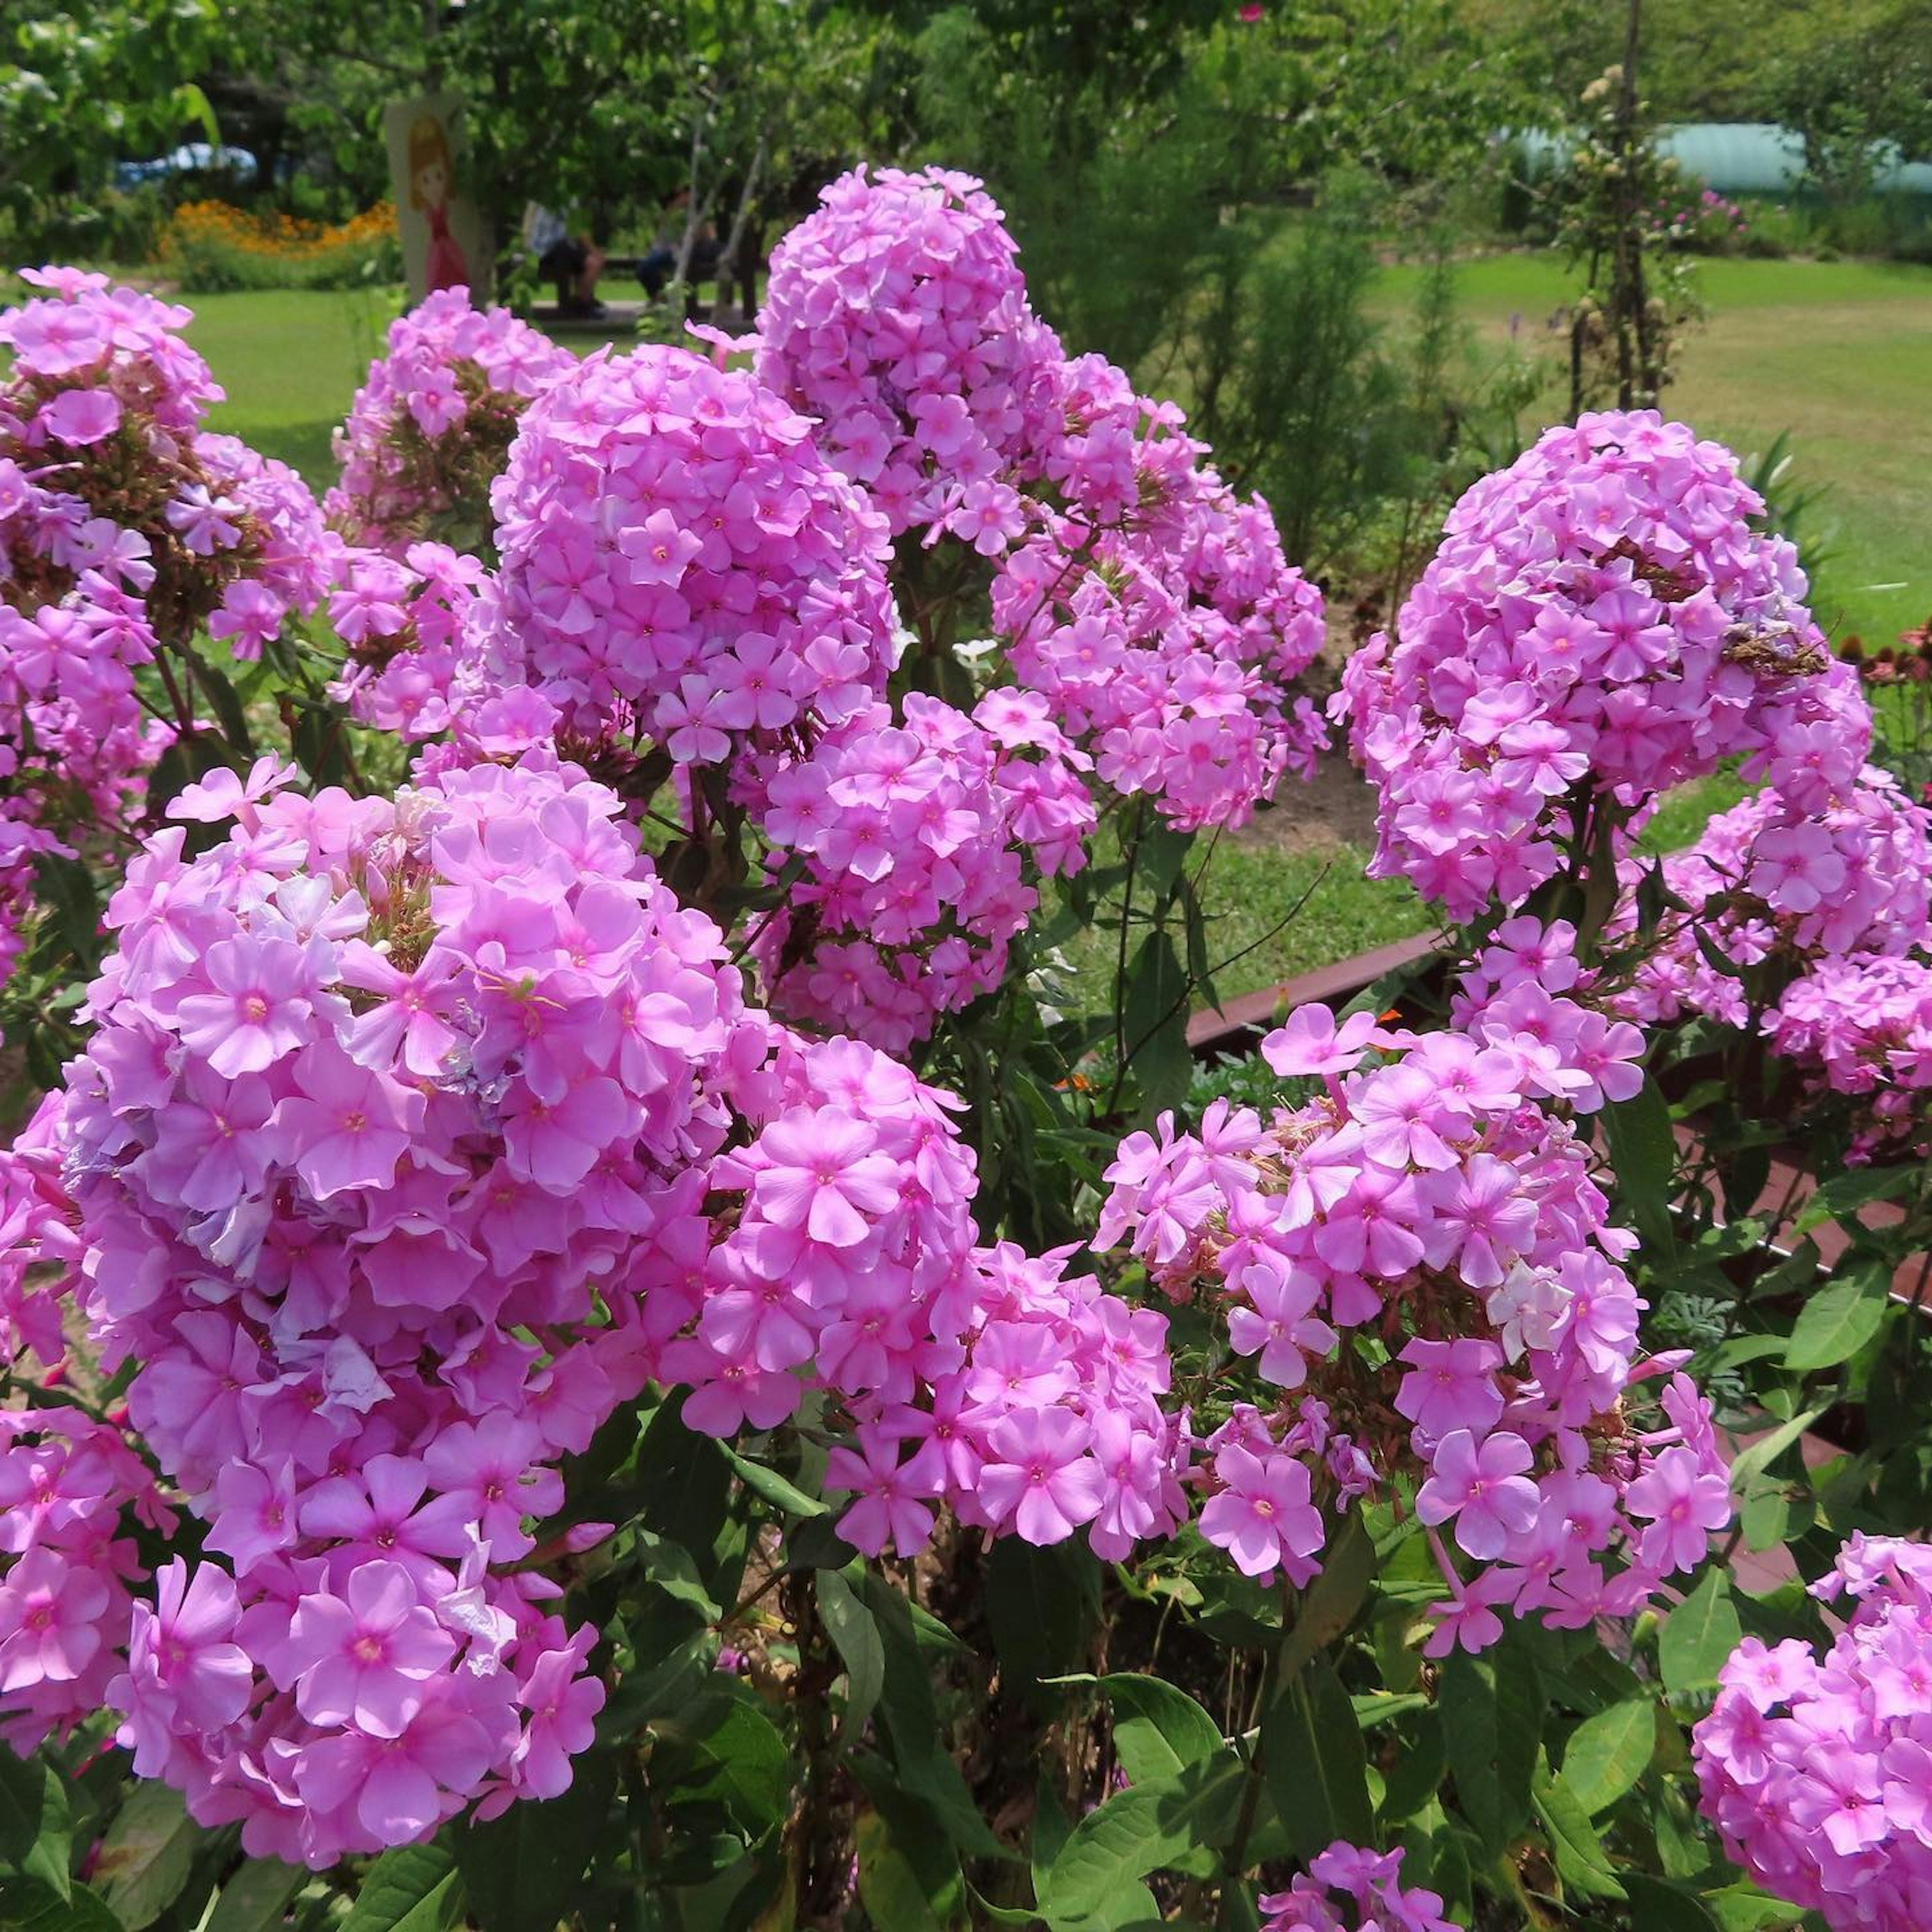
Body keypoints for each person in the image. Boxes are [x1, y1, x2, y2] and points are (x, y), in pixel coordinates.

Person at [409, 115, 471, 294]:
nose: (435, 186)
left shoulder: (443, 207)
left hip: (448, 249)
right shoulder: (430, 212)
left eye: (439, 176)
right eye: (425, 180)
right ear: (417, 184)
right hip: (438, 252)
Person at [522, 202, 607, 318]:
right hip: (552, 251)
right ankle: (582, 304)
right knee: (595, 263)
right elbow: (578, 231)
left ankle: (580, 302)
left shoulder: (542, 196)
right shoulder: (566, 196)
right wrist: (596, 252)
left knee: (580, 260)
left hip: (537, 252)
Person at [636, 188, 721, 300]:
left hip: (679, 253)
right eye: (683, 195)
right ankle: (658, 297)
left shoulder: (698, 215)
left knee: (646, 268)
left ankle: (659, 298)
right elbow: (662, 237)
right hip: (667, 251)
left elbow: (710, 237)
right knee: (644, 269)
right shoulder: (671, 213)